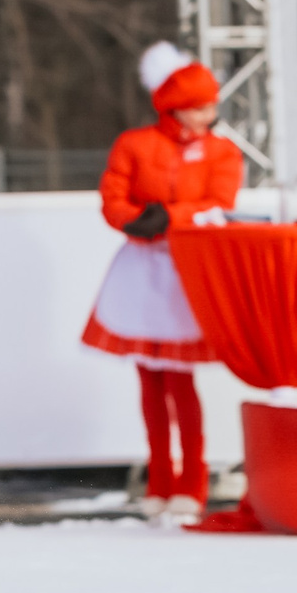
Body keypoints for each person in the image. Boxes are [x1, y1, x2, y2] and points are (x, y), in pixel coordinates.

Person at [82, 43, 243, 524]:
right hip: (142, 269)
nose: (208, 114)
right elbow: (114, 196)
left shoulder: (222, 152)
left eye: (212, 105)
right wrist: (134, 221)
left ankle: (192, 481)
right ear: (174, 107)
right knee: (150, 379)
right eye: (199, 106)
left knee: (181, 382)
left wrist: (168, 218)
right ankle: (159, 478)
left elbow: (220, 201)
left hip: (186, 269)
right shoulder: (135, 145)